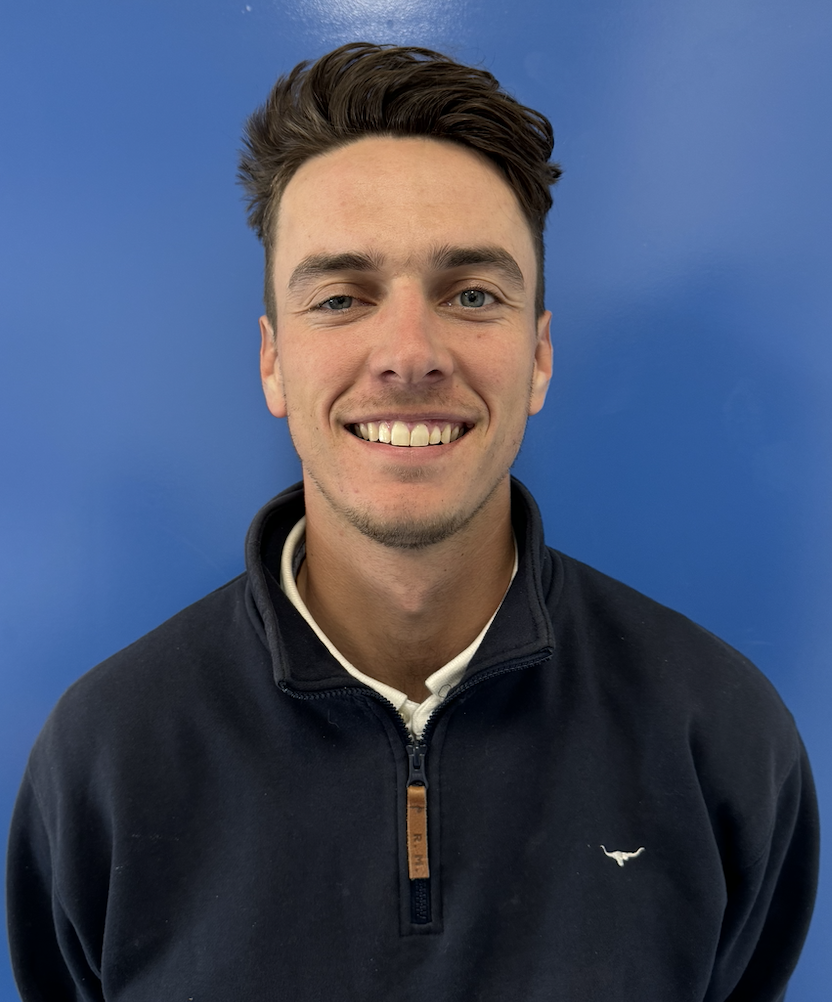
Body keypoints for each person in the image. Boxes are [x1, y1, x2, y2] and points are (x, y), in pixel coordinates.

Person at [7, 43, 818, 1002]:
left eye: (471, 293)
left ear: (539, 355)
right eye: (341, 297)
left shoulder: (718, 738)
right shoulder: (104, 761)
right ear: (273, 361)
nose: (409, 353)